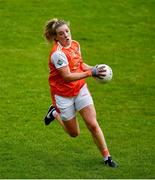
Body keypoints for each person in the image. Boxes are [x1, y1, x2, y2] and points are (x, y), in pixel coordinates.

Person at [43, 18, 118, 168]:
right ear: (56, 37)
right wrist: (91, 73)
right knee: (74, 133)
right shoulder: (57, 54)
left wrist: (94, 68)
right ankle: (54, 113)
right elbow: (67, 76)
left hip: (80, 89)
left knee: (93, 124)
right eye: (61, 33)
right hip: (63, 95)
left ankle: (107, 157)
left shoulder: (76, 44)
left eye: (67, 31)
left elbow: (79, 65)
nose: (66, 35)